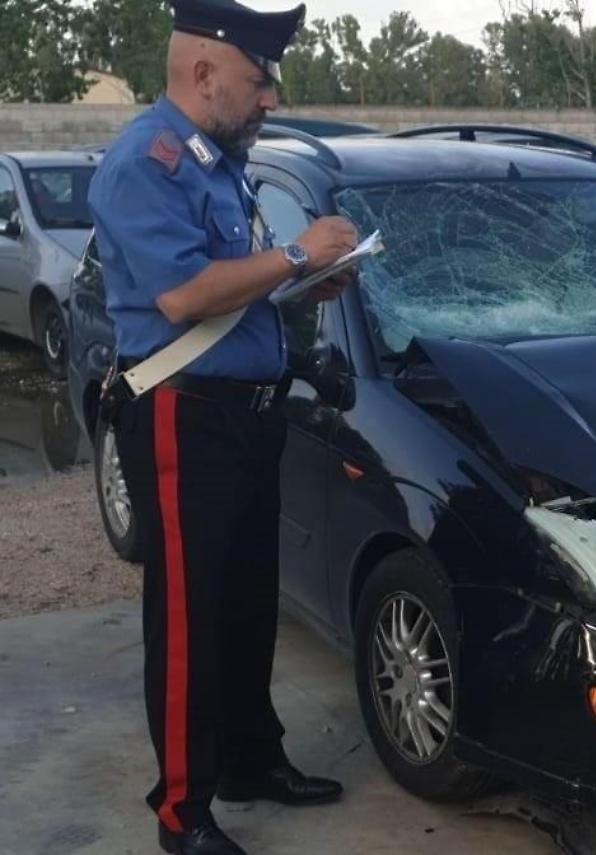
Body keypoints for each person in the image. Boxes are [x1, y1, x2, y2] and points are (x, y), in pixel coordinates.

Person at [87, 2, 359, 853]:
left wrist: (295, 287)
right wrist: (296, 255)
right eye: (257, 79)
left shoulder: (217, 159)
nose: (270, 98)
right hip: (182, 418)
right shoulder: (146, 160)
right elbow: (179, 297)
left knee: (246, 604)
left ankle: (250, 759)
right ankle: (182, 808)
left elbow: (227, 286)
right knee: (188, 615)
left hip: (245, 416)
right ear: (204, 74)